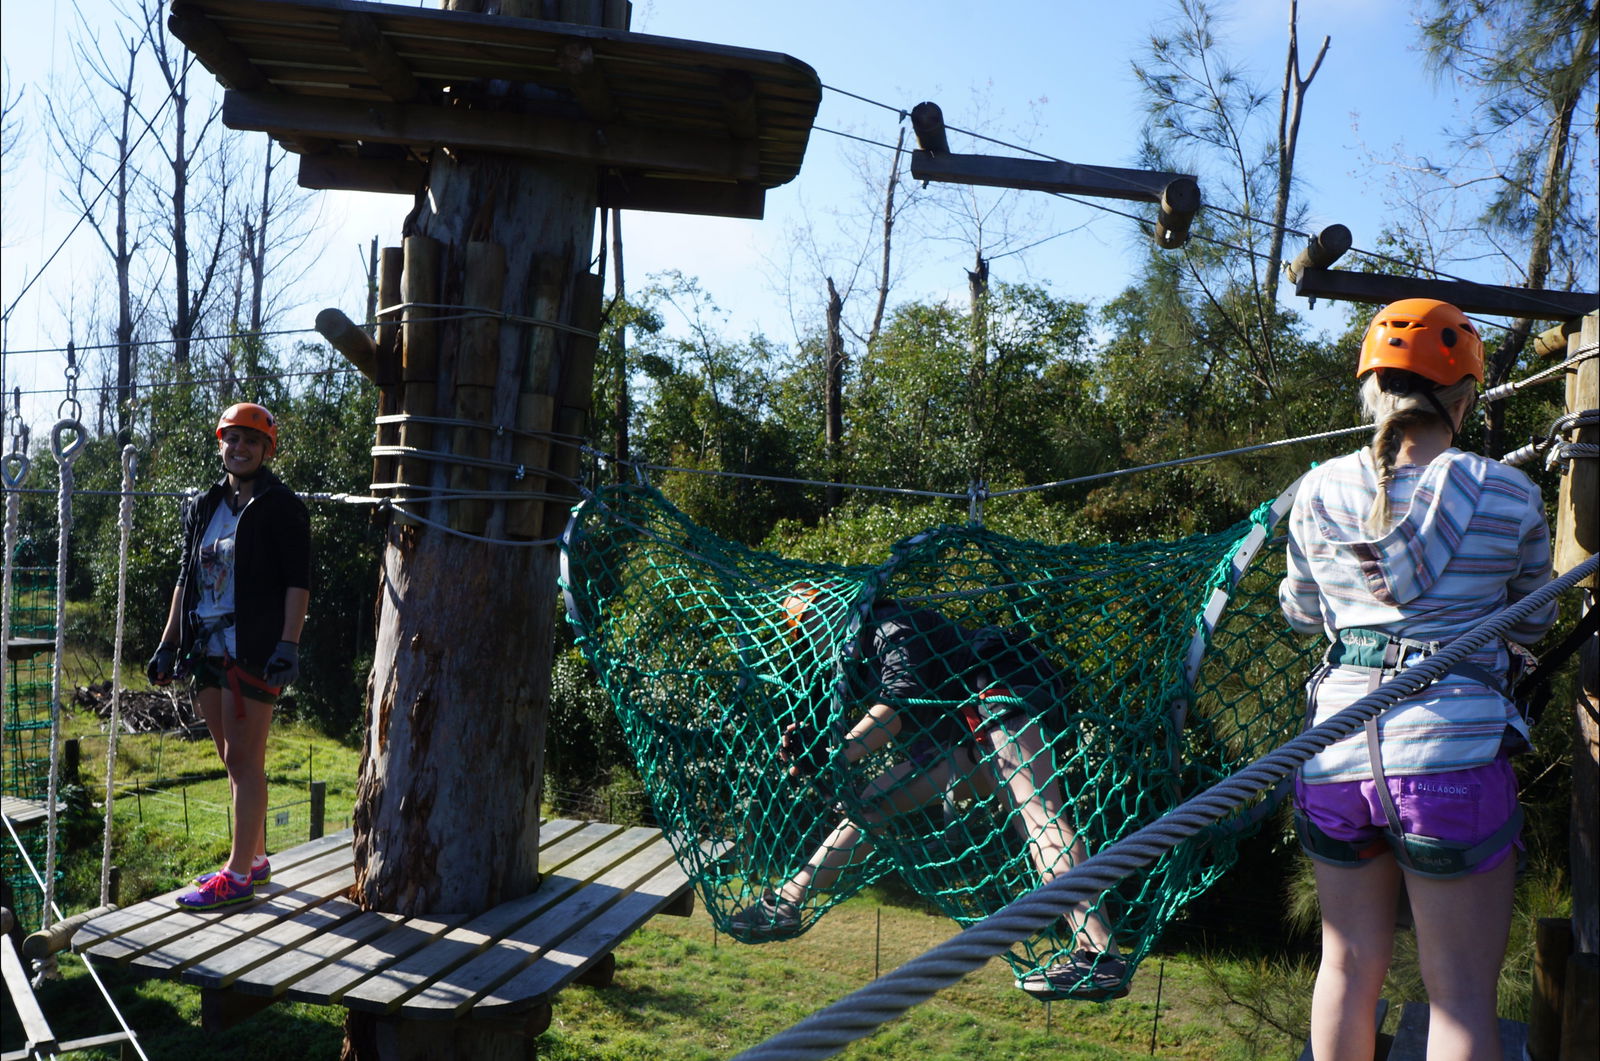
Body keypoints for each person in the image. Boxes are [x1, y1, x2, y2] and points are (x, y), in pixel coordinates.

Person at [1279, 298, 1556, 1061]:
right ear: (1463, 397)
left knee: (1345, 964)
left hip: (1335, 753)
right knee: (1460, 996)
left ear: (1372, 393)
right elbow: (1531, 621)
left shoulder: (1317, 491)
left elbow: (1303, 612)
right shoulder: (1508, 493)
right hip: (1449, 759)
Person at [730, 582, 1126, 1000]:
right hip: (964, 733)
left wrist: (835, 754)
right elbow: (879, 721)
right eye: (800, 625)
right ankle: (787, 902)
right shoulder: (851, 659)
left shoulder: (888, 626)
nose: (808, 629)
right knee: (873, 805)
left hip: (997, 689)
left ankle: (1101, 957)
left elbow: (896, 708)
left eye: (810, 616)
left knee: (1039, 814)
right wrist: (822, 753)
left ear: (836, 606)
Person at [148, 403, 311, 911]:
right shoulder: (204, 505)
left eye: (251, 441)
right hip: (206, 647)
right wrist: (169, 641)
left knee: (244, 760)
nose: (239, 448)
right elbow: (185, 578)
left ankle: (238, 876)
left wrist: (289, 643)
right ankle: (256, 859)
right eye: (232, 439)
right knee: (232, 758)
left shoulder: (282, 505)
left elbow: (297, 583)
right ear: (221, 443)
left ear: (267, 450)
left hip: (255, 648)